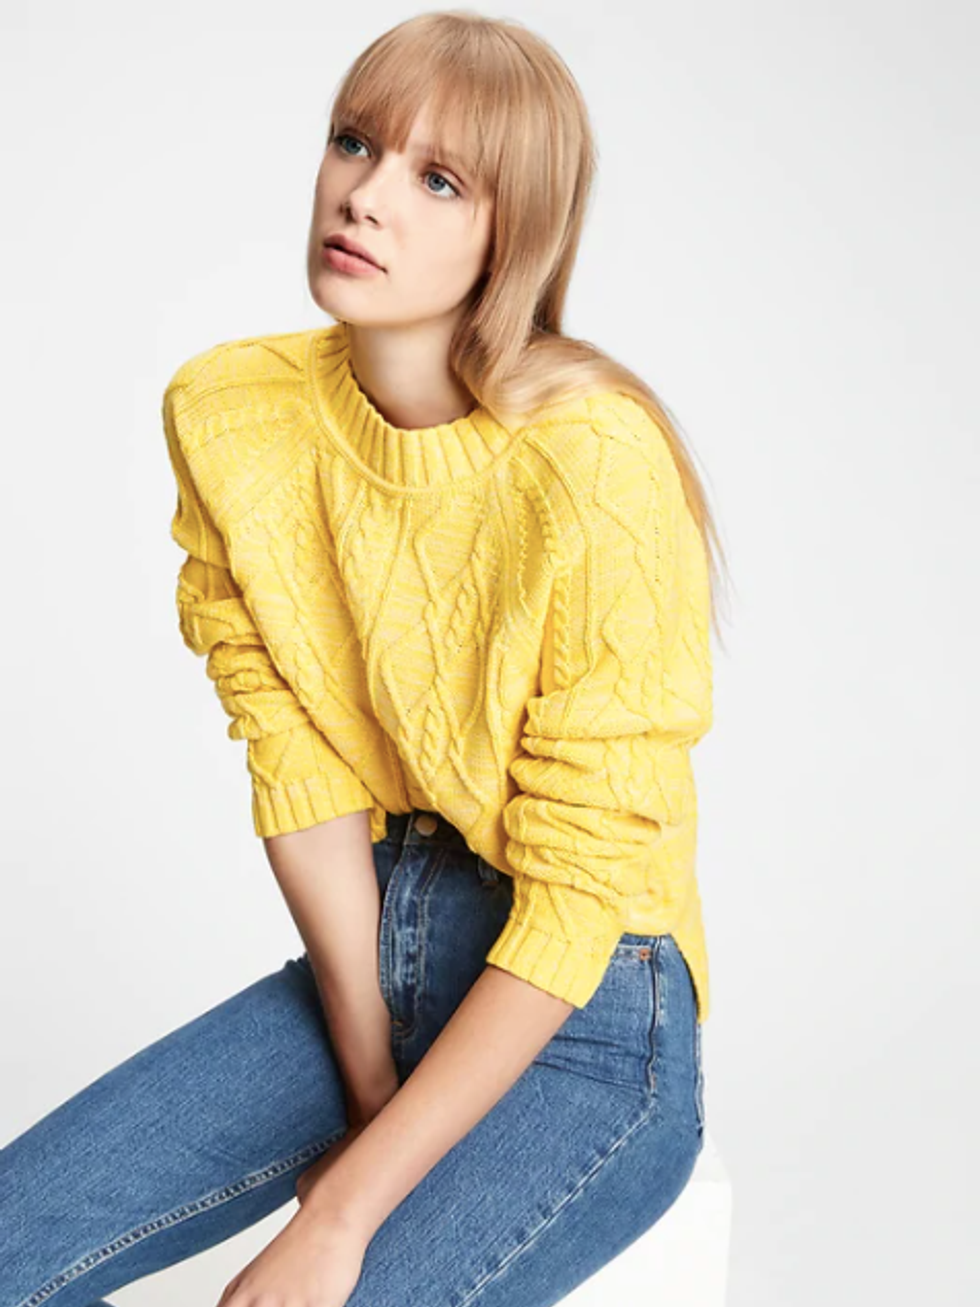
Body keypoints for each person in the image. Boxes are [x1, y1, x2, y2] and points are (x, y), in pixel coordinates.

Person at [0, 10, 731, 1307]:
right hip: (388, 946)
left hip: (590, 1014)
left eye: (439, 179)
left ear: (513, 235)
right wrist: (367, 1086)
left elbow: (582, 888)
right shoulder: (232, 412)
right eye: (357, 143)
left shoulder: (592, 462)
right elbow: (298, 764)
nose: (367, 195)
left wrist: (341, 1215)